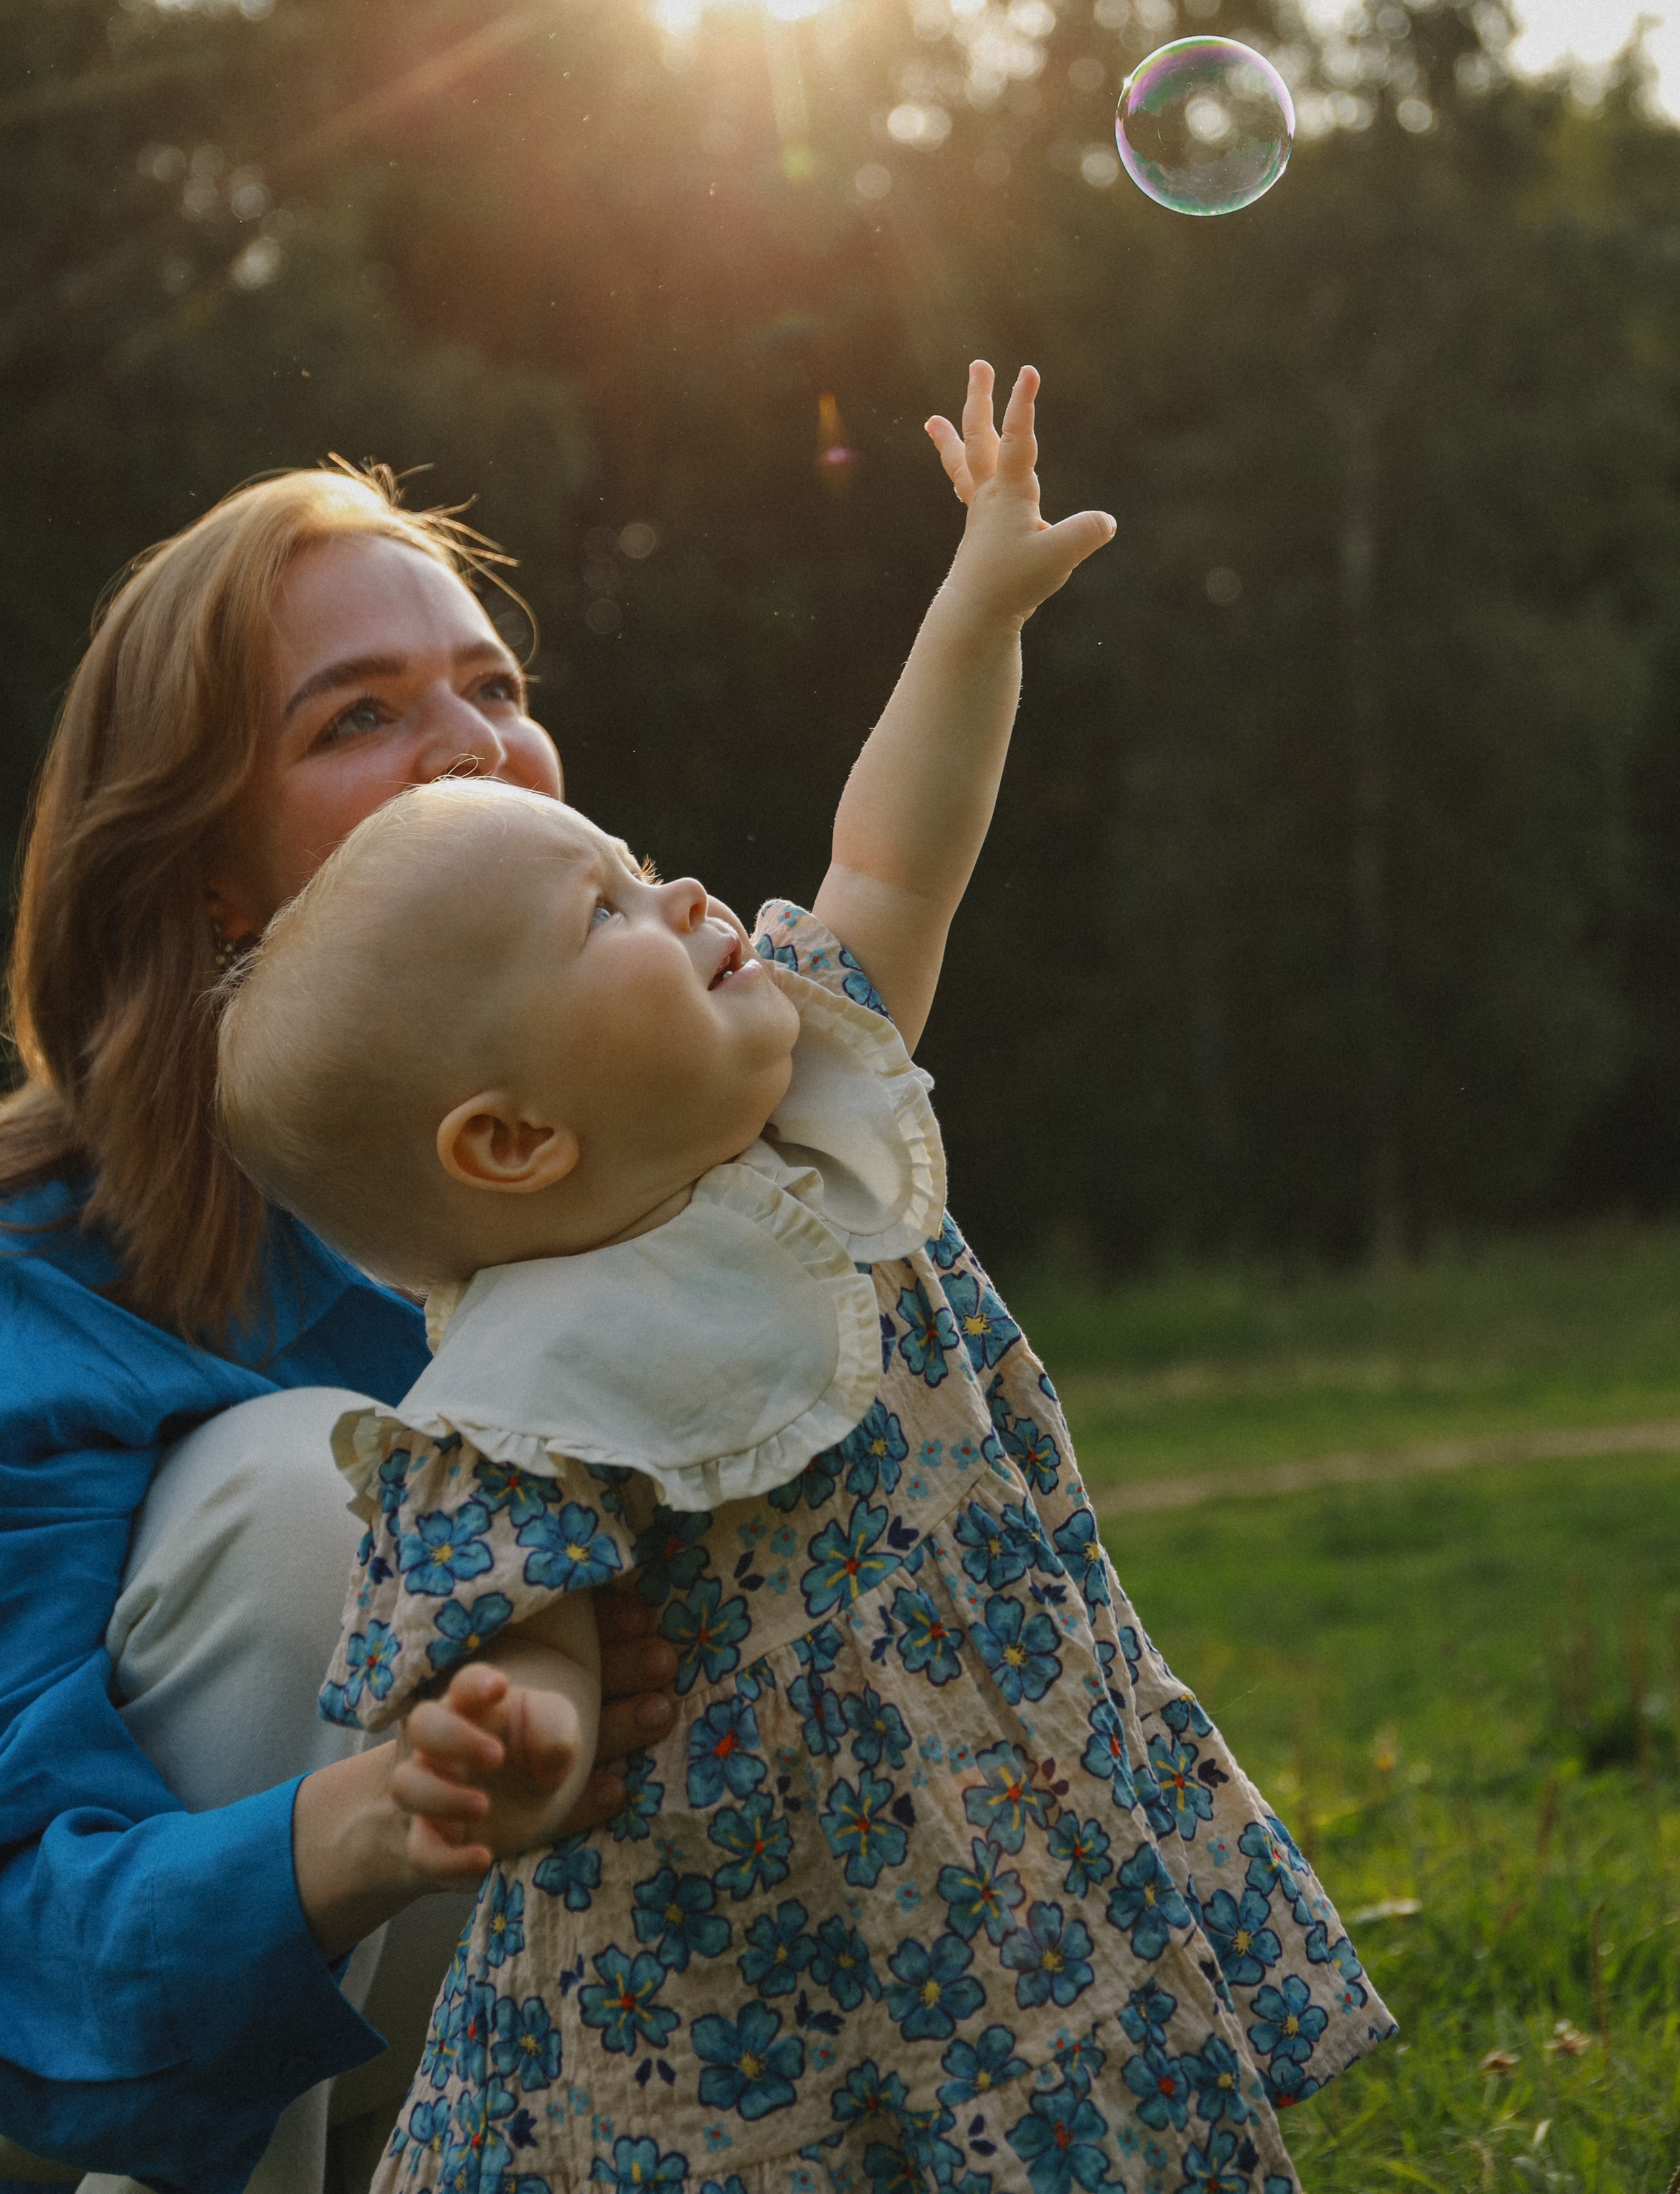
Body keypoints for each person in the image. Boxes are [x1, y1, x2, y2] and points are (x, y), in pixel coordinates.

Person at [220, 368, 1395, 2194]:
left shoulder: (805, 1115)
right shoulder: (522, 1398)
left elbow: (892, 852)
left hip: (1009, 1830)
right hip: (751, 1986)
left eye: (635, 867)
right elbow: (541, 1660)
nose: (686, 894)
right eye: (608, 915)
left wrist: (975, 610)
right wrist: (516, 1744)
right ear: (511, 1140)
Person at [0, 469, 680, 2194]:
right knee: (313, 1486)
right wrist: (375, 1819)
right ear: (210, 877)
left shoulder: (669, 1159)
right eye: (358, 716)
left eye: (495, 684)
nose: (477, 746)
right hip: (93, 2057)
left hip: (542, 2028)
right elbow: (20, 1912)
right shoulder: (43, 1287)